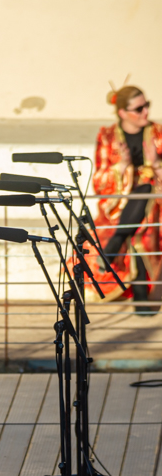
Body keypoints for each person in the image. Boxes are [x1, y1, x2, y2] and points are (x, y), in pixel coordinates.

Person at [93, 84, 162, 312]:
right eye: (139, 108)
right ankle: (142, 301)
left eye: (147, 106)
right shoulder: (108, 136)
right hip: (120, 202)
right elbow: (100, 180)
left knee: (145, 210)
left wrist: (156, 165)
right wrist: (121, 166)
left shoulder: (159, 133)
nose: (145, 112)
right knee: (140, 223)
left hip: (156, 199)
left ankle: (115, 242)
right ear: (122, 112)